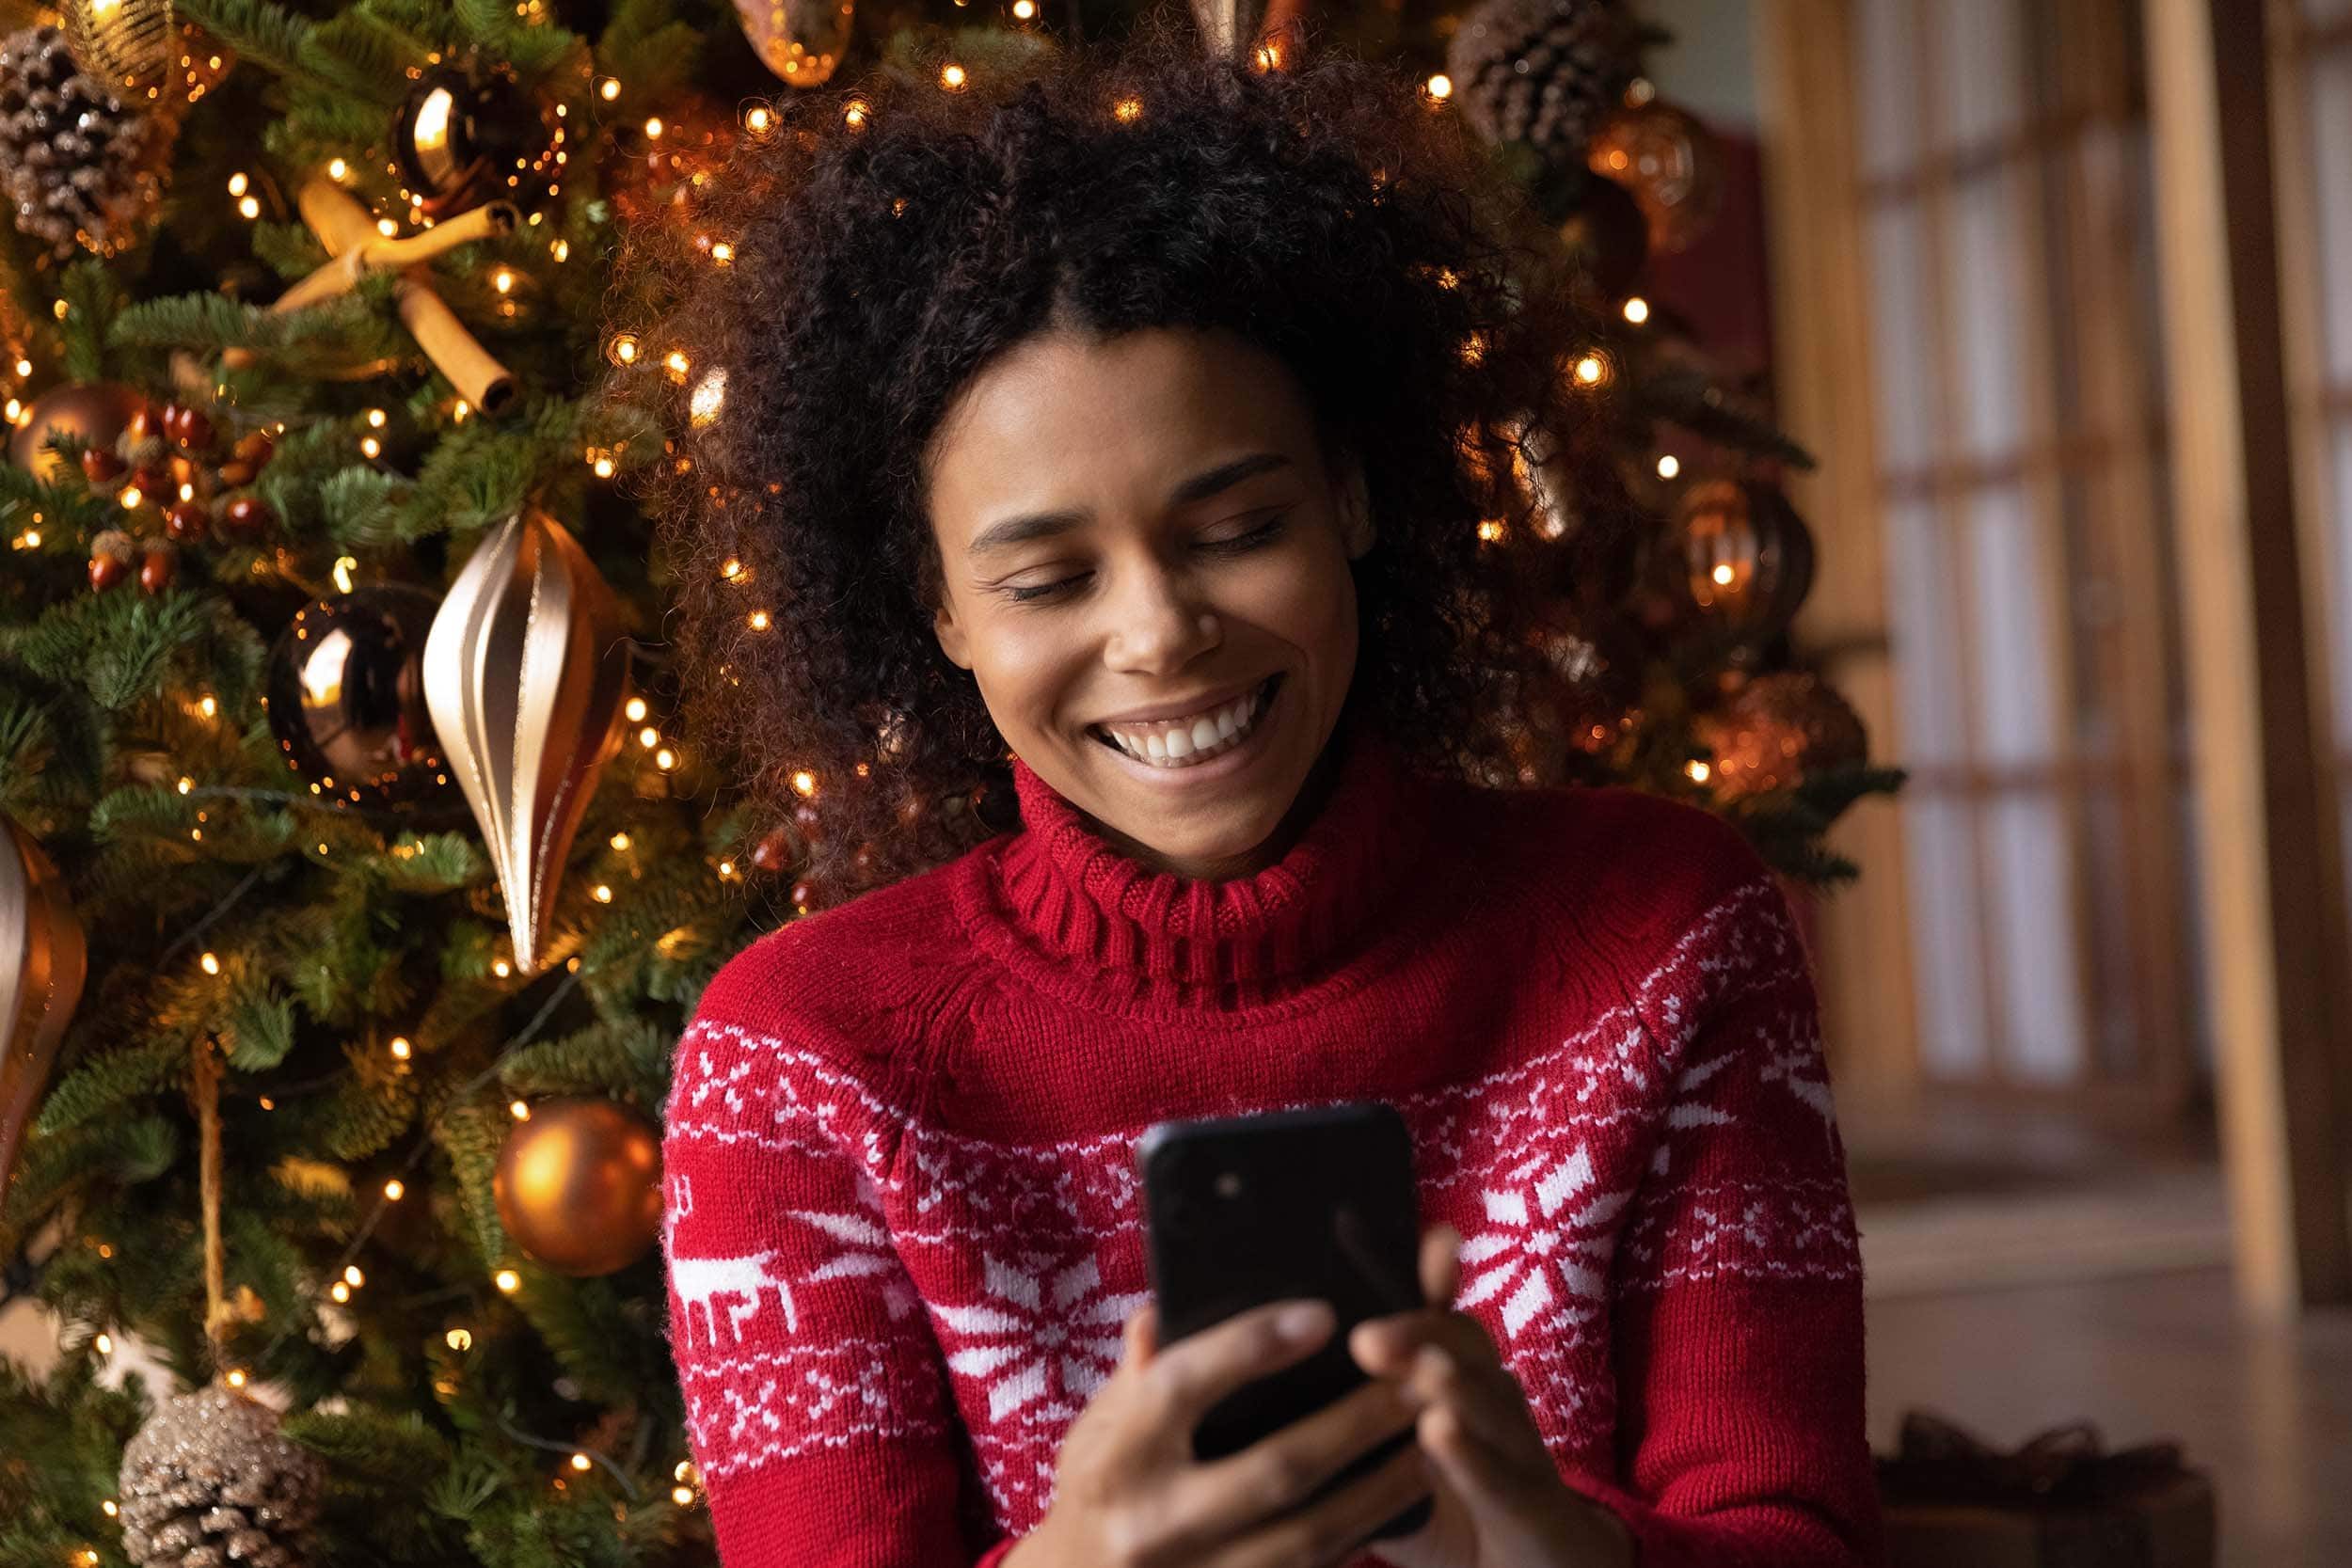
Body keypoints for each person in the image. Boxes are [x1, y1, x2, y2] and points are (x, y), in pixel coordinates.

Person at [644, 17, 1883, 1568]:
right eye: (1047, 578)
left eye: (1235, 530)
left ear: (1355, 495)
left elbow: (1799, 1538)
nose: (1160, 634)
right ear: (940, 613)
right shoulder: (800, 1068)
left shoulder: (1666, 934)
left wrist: (1564, 1551)